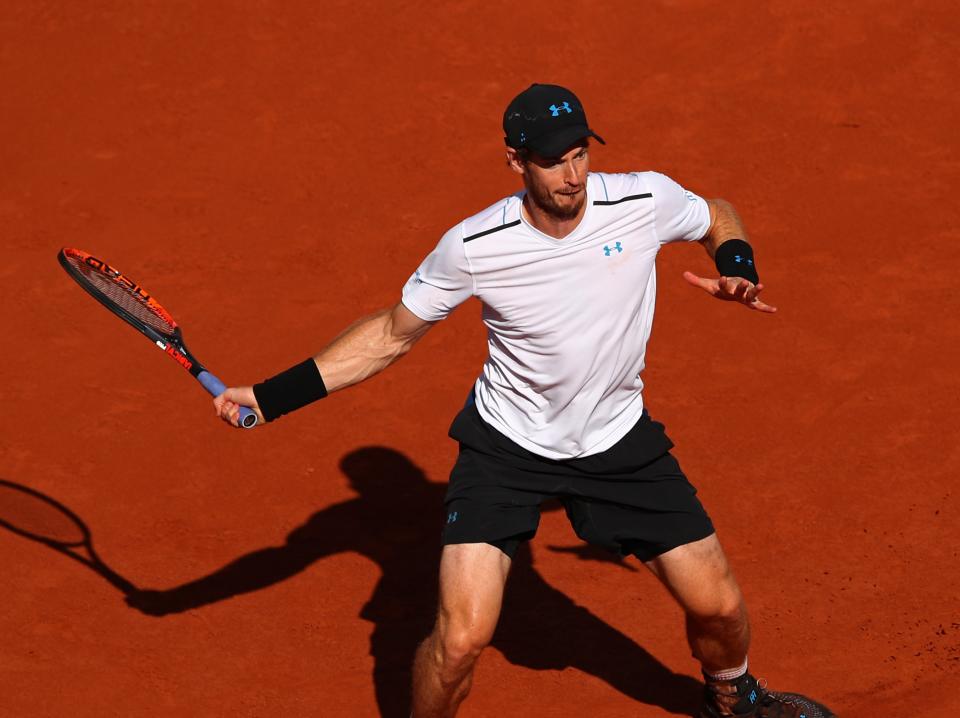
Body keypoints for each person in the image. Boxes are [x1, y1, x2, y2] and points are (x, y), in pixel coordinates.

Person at [214, 83, 834, 718]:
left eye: (579, 154)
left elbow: (714, 212)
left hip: (616, 437)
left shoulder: (642, 199)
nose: (572, 175)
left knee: (720, 609)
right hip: (507, 447)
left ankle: (733, 700)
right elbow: (390, 335)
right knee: (459, 642)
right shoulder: (476, 246)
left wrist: (737, 261)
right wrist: (271, 397)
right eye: (551, 160)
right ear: (515, 160)